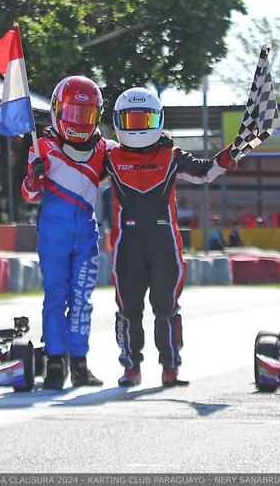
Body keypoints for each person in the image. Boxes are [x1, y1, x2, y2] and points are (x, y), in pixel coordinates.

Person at [104, 87, 240, 387]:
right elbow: (82, 180)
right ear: (118, 121)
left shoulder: (172, 155)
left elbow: (205, 171)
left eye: (144, 120)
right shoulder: (109, 158)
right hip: (126, 245)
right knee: (128, 309)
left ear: (158, 120)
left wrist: (227, 156)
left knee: (166, 307)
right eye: (131, 121)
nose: (138, 128)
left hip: (164, 244)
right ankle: (131, 368)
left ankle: (170, 367)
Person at [22, 76, 116, 390]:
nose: (78, 121)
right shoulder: (42, 147)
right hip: (54, 234)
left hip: (87, 234)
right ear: (57, 110)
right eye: (73, 113)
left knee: (82, 300)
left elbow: (136, 156)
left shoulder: (104, 149)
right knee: (55, 297)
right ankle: (54, 362)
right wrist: (34, 177)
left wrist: (163, 142)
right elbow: (29, 194)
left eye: (85, 114)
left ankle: (79, 364)